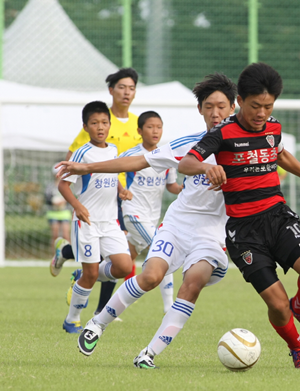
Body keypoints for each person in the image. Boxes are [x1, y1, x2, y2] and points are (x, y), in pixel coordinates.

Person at [55, 73, 237, 369]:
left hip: (211, 235)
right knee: (151, 276)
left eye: (221, 106)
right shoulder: (188, 144)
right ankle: (97, 324)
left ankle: (148, 354)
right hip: (177, 225)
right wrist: (87, 166)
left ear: (233, 107)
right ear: (200, 110)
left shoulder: (247, 148)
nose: (215, 113)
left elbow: (281, 157)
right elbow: (138, 160)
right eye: (208, 106)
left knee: (191, 284)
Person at [178, 63, 300, 369]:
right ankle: (297, 347)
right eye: (255, 106)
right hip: (245, 232)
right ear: (239, 101)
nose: (262, 113)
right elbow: (185, 163)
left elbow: (279, 153)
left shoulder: (272, 127)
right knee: (277, 305)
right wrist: (206, 166)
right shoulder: (222, 133)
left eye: (268, 106)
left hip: (278, 217)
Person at [51, 68, 142, 315]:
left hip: (119, 195)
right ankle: (94, 304)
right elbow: (73, 160)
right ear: (111, 90)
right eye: (122, 87)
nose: (127, 92)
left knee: (122, 259)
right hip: (91, 197)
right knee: (100, 260)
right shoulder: (95, 115)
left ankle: (94, 297)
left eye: (131, 87)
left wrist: (124, 188)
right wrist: (75, 197)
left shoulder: (138, 123)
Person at [57, 101, 134, 333]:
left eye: (104, 122)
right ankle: (72, 320)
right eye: (94, 123)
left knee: (124, 266)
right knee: (92, 275)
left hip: (110, 222)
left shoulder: (112, 151)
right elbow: (62, 185)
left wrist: (121, 190)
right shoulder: (82, 153)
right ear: (85, 126)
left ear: (110, 125)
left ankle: (81, 277)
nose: (100, 127)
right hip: (87, 222)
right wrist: (77, 206)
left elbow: (112, 179)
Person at [120, 111, 182, 313]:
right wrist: (120, 190)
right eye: (150, 126)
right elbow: (111, 174)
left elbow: (171, 186)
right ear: (139, 130)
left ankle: (84, 276)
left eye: (159, 127)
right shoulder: (130, 155)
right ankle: (169, 308)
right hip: (133, 214)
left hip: (152, 218)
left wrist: (187, 189)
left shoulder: (166, 156)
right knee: (163, 252)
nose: (155, 131)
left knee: (122, 263)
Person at [45, 164, 71, 253]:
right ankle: (54, 255)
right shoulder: (50, 186)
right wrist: (53, 201)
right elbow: (47, 198)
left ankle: (69, 254)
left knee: (66, 235)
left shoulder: (68, 184)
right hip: (53, 212)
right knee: (55, 235)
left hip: (64, 212)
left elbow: (72, 197)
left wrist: (64, 201)